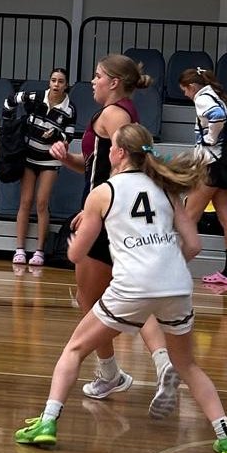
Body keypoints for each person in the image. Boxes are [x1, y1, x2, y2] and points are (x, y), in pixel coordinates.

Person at [14, 123, 227, 453]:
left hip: (133, 285)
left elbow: (76, 255)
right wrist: (164, 265)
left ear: (119, 152)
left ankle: (47, 422)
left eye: (111, 147)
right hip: (176, 285)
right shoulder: (165, 189)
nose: (108, 151)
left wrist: (76, 237)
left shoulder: (104, 191)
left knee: (75, 349)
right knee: (188, 365)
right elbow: (193, 245)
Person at [50, 55, 179, 414]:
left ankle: (120, 371)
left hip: (108, 215)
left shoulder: (114, 115)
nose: (91, 81)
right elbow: (98, 165)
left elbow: (124, 169)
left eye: (97, 76)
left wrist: (94, 209)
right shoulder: (116, 115)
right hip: (111, 211)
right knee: (119, 296)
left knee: (93, 302)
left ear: (114, 82)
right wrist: (67, 159)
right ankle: (150, 365)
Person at [178, 66, 227, 286]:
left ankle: (173, 269)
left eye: (184, 90)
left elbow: (216, 116)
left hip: (211, 165)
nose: (185, 95)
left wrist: (211, 138)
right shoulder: (216, 95)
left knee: (188, 217)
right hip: (225, 166)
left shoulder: (202, 98)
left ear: (192, 86)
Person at [3, 68, 76, 267]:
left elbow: (68, 136)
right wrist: (9, 124)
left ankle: (39, 251)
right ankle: (19, 249)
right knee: (25, 202)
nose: (56, 84)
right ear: (49, 81)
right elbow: (10, 101)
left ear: (66, 85)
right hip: (28, 157)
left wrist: (56, 135)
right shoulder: (35, 97)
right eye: (53, 80)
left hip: (49, 161)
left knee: (42, 203)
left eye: (61, 81)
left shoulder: (70, 109)